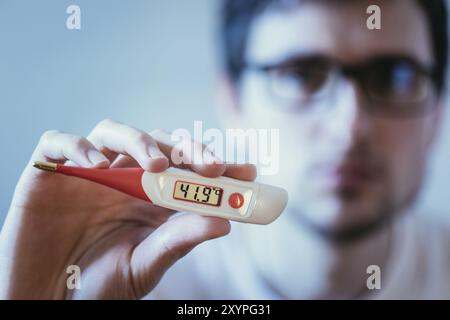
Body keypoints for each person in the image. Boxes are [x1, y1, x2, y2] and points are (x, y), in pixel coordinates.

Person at [1, 0, 450, 299]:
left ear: (439, 113)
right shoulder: (130, 281)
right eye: (300, 74)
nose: (350, 126)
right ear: (231, 103)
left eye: (395, 77)